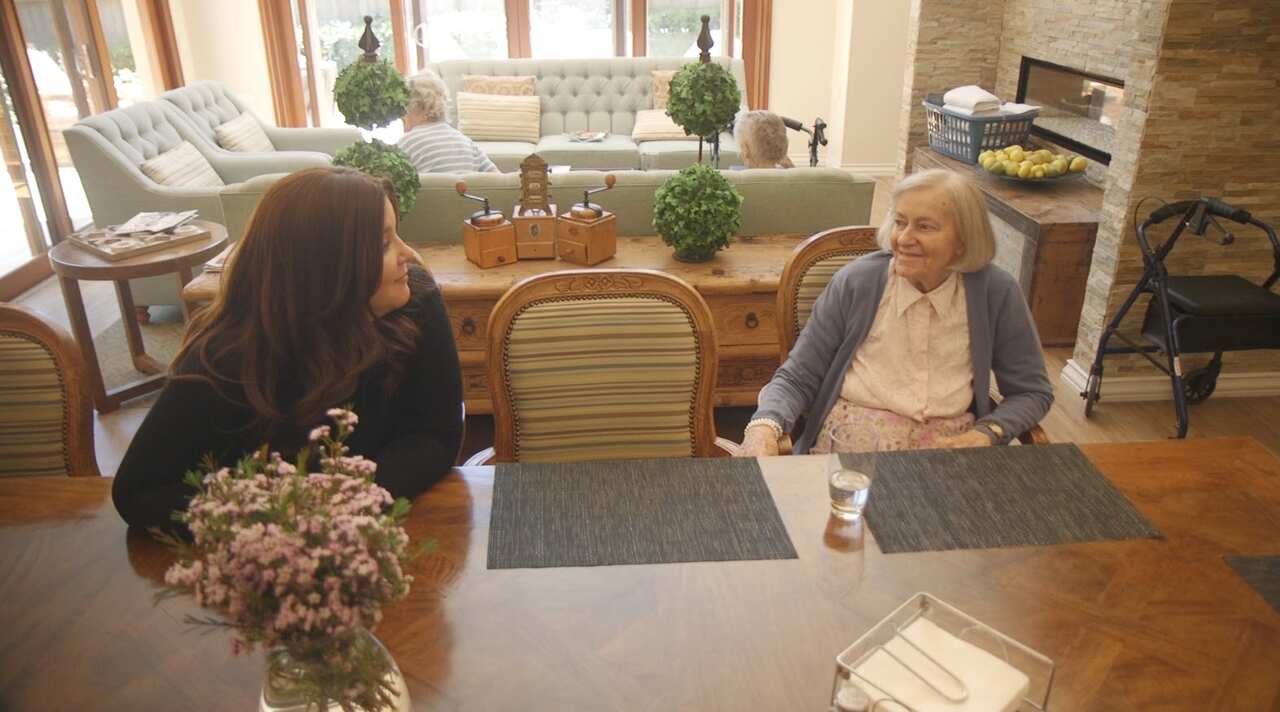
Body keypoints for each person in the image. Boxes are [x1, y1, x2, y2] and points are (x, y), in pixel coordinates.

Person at [113, 166, 464, 533]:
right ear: (322, 268)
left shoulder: (416, 304)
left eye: (397, 235)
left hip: (379, 531)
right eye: (382, 244)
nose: (408, 253)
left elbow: (434, 437)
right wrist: (276, 521)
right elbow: (141, 490)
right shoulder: (226, 354)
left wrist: (343, 503)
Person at [738, 169, 1052, 457]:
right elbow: (797, 378)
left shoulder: (995, 292)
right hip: (852, 449)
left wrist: (988, 433)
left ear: (963, 241)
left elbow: (1031, 391)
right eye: (900, 222)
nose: (903, 239)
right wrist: (765, 426)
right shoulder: (857, 282)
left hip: (948, 454)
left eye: (925, 226)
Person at [397, 71, 499, 174]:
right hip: (464, 190)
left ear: (413, 107)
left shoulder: (407, 144)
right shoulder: (466, 142)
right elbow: (498, 180)